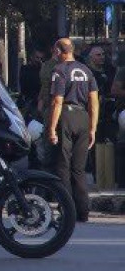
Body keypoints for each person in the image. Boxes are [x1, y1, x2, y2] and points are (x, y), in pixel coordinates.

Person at [46, 38, 98, 223]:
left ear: (60, 51)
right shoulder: (86, 70)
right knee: (79, 169)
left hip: (66, 117)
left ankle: (67, 210)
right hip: (83, 117)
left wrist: (52, 128)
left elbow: (57, 101)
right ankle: (83, 210)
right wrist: (92, 128)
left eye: (55, 50)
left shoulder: (59, 71)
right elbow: (94, 101)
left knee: (63, 166)